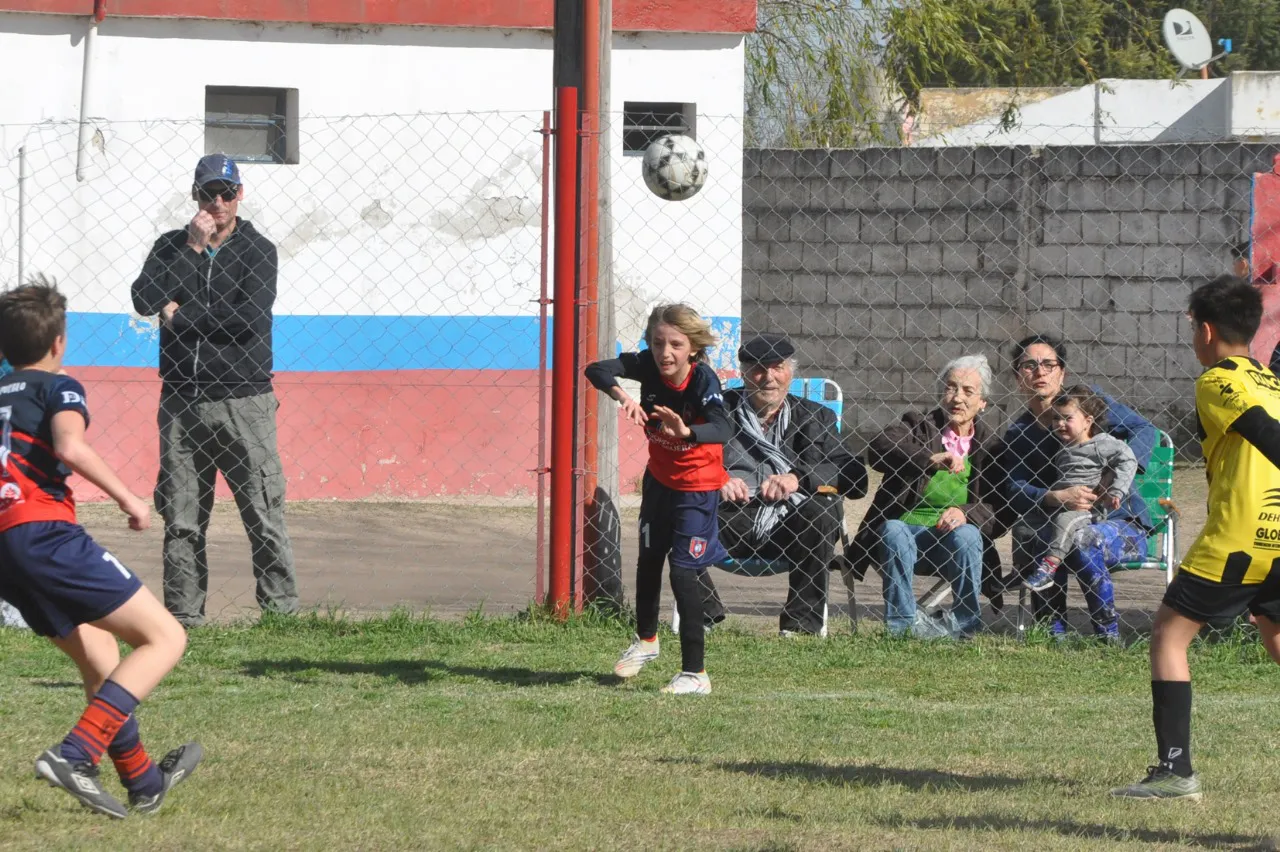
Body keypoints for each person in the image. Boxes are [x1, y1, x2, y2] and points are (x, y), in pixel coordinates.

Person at [0, 279, 202, 818]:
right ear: (59, 342)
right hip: (43, 534)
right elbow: (70, 445)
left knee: (102, 657)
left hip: (4, 550)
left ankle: (143, 782)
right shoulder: (58, 386)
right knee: (165, 637)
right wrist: (129, 498)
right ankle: (75, 754)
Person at [1111, 277, 1280, 801]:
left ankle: (1175, 771)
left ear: (1205, 331)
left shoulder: (1216, 381)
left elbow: (1265, 435)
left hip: (1238, 537)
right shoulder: (1272, 380)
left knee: (1168, 635)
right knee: (1276, 638)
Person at [130, 153, 298, 627]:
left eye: (226, 192)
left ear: (239, 194)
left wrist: (180, 318)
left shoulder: (258, 251)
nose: (218, 202)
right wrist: (192, 249)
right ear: (195, 196)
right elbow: (144, 299)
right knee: (182, 517)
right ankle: (184, 616)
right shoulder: (171, 246)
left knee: (262, 512)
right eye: (208, 193)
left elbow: (249, 321)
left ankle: (281, 615)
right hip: (181, 400)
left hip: (243, 399)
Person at [584, 304, 731, 695]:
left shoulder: (703, 381)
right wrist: (623, 396)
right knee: (648, 560)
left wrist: (687, 433)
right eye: (658, 343)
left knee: (682, 572)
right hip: (660, 482)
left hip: (696, 488)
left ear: (693, 348)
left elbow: (722, 428)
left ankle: (695, 674)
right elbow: (596, 370)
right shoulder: (648, 365)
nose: (665, 353)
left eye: (676, 345)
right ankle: (647, 641)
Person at [701, 333, 866, 636]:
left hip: (790, 527)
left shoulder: (816, 417)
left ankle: (800, 626)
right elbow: (683, 458)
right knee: (677, 506)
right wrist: (716, 477)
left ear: (791, 373)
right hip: (726, 520)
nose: (768, 378)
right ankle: (703, 613)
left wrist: (799, 478)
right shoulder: (718, 412)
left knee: (823, 509)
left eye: (777, 368)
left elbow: (855, 475)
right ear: (743, 374)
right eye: (758, 369)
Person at [999, 334, 1156, 639]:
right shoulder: (1019, 434)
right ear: (1018, 378)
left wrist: (1112, 477)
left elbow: (1143, 429)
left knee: (1083, 540)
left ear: (1062, 373)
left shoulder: (1087, 402)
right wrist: (1054, 496)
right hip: (1062, 523)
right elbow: (1015, 489)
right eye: (1029, 365)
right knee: (1043, 535)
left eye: (1048, 364)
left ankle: (1106, 635)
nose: (1040, 372)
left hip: (1119, 524)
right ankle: (1053, 634)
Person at [847, 355, 1004, 639]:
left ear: (983, 403)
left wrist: (965, 512)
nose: (957, 398)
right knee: (892, 529)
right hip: (904, 539)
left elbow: (998, 507)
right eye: (951, 388)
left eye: (968, 391)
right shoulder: (918, 426)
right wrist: (928, 458)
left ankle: (965, 625)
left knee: (969, 534)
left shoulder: (991, 447)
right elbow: (879, 448)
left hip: (951, 545)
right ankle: (902, 627)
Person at [1022, 386, 1139, 593]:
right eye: (1056, 418)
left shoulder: (1100, 443)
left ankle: (1048, 567)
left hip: (1087, 510)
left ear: (1088, 421)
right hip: (1060, 505)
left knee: (1064, 520)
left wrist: (1116, 490)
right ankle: (1022, 569)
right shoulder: (1063, 446)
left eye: (1067, 418)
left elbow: (1128, 458)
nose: (1060, 424)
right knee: (1026, 523)